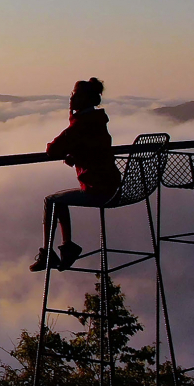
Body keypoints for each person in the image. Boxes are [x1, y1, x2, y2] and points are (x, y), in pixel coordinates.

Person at [30, 77, 122, 272]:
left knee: (52, 201)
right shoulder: (97, 122)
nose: (71, 99)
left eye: (75, 95)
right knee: (59, 200)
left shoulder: (81, 124)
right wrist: (77, 156)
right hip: (112, 185)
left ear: (84, 99)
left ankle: (51, 252)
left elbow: (53, 149)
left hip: (98, 189)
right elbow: (93, 150)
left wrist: (72, 153)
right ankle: (66, 247)